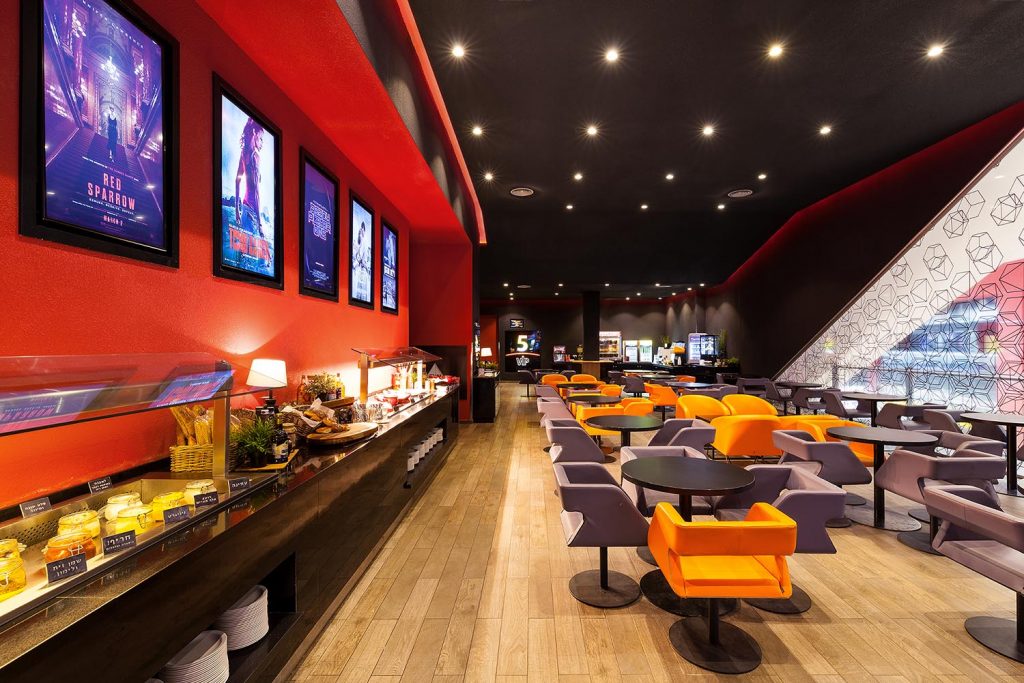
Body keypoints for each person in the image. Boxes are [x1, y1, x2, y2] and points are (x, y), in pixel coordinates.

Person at [235, 118, 266, 240]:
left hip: (244, 208)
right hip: (252, 213)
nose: (262, 142)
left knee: (243, 248)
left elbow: (237, 181)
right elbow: (256, 193)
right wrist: (260, 224)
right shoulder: (255, 157)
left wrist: (237, 210)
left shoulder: (243, 153)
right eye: (261, 138)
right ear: (254, 133)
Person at [354, 220, 372, 301]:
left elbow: (360, 256)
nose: (361, 232)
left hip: (362, 270)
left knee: (360, 294)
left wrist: (355, 264)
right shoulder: (363, 241)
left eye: (362, 230)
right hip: (363, 270)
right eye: (361, 230)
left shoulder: (364, 241)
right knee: (362, 294)